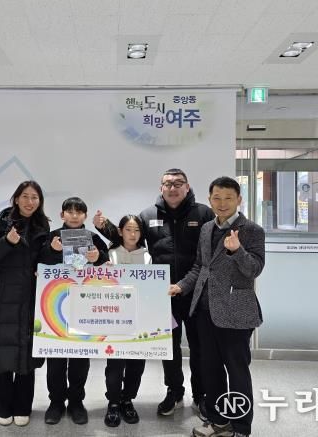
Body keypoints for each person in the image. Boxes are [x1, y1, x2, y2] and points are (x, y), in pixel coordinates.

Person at [94, 168, 214, 417]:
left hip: (196, 294)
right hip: (161, 297)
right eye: (168, 183)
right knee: (168, 348)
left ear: (187, 187)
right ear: (161, 188)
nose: (173, 188)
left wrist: (185, 284)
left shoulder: (203, 213)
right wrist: (104, 227)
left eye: (178, 183)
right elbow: (130, 237)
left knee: (200, 347)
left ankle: (201, 395)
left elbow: (208, 256)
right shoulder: (148, 215)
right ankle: (174, 392)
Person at [169, 176, 265, 437]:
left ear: (239, 199)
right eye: (217, 198)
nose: (222, 203)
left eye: (228, 198)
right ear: (210, 200)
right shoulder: (206, 228)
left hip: (236, 312)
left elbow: (254, 269)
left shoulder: (252, 230)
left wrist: (237, 251)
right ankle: (218, 421)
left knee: (237, 372)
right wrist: (181, 286)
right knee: (210, 370)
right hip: (204, 311)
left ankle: (241, 427)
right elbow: (201, 266)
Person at [0, 180, 50, 428]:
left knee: (27, 355)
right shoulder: (3, 221)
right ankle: (3, 406)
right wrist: (7, 241)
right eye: (25, 196)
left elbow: (45, 258)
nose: (30, 202)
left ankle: (23, 407)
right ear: (17, 199)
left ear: (39, 202)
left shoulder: (42, 224)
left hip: (32, 295)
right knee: (4, 352)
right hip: (5, 295)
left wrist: (48, 261)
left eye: (35, 197)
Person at [40, 196, 109, 425]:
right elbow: (39, 263)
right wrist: (52, 250)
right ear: (62, 215)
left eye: (79, 211)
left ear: (85, 216)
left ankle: (77, 402)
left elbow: (107, 265)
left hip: (84, 305)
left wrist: (98, 257)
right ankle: (56, 403)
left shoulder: (93, 238)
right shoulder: (52, 237)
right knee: (56, 359)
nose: (74, 215)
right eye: (69, 211)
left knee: (80, 358)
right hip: (54, 305)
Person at [103, 215, 152, 428]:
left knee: (136, 364)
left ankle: (127, 400)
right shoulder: (110, 254)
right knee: (114, 364)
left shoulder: (148, 256)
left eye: (137, 230)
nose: (133, 234)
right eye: (128, 230)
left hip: (140, 318)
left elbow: (152, 287)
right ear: (120, 231)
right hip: (115, 319)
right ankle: (113, 402)